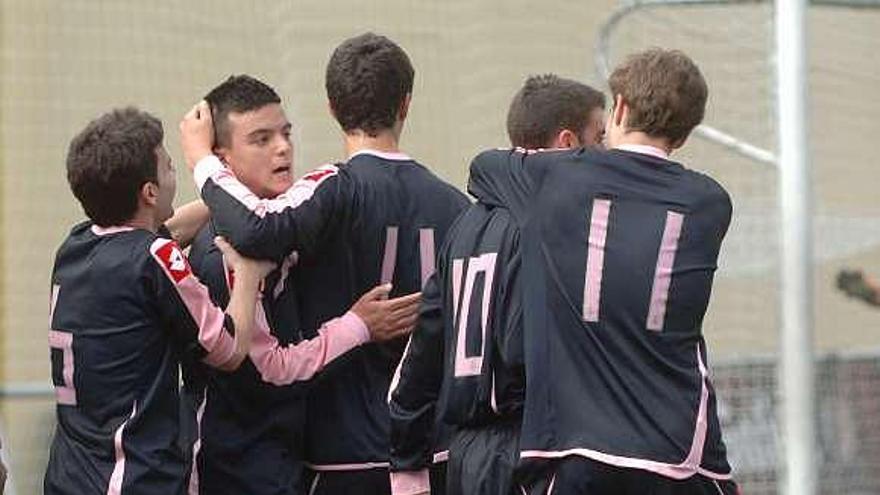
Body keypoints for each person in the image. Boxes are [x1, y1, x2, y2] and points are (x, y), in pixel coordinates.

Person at [180, 33, 470, 495]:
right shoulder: (460, 207)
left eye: (285, 134)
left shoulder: (327, 194)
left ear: (332, 107)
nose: (282, 148)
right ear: (407, 104)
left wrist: (199, 168)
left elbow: (260, 227)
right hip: (436, 453)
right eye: (263, 138)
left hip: (344, 457)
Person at [465, 49, 738, 494]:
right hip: (675, 448)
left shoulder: (554, 180)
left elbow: (484, 167)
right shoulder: (710, 202)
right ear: (685, 135)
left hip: (573, 449)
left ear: (621, 108)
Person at [387, 75, 606, 495]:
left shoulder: (465, 226)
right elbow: (529, 345)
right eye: (599, 138)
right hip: (532, 454)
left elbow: (422, 350)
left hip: (466, 457)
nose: (608, 154)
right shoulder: (553, 227)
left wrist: (406, 461)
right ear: (566, 143)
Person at [43, 107, 274, 494]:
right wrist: (248, 273)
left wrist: (237, 190)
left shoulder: (77, 245)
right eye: (168, 168)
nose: (175, 176)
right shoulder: (154, 258)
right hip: (131, 477)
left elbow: (165, 231)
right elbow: (230, 350)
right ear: (149, 192)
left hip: (70, 475)